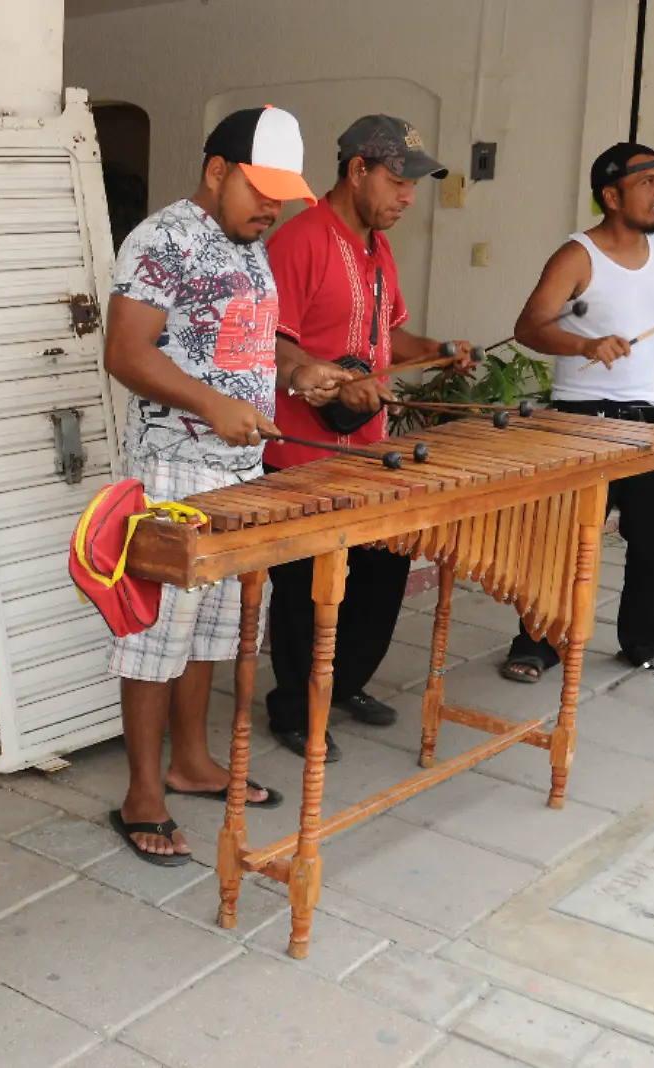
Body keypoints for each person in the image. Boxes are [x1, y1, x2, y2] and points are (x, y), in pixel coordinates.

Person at [101, 106, 339, 865]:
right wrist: (211, 404)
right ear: (216, 170)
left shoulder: (247, 247)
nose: (271, 208)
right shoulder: (161, 241)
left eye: (281, 196)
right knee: (154, 635)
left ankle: (191, 761)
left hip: (237, 471)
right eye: (259, 190)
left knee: (210, 632)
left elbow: (245, 333)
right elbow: (126, 351)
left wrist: (300, 369)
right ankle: (142, 791)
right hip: (172, 468)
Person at [261, 115, 471, 762]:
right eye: (398, 179)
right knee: (306, 590)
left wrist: (434, 349)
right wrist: (323, 381)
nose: (409, 195)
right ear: (357, 171)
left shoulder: (379, 249)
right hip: (302, 452)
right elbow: (270, 343)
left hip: (370, 447)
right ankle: (294, 708)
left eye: (414, 183)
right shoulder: (298, 241)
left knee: (382, 572)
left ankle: (344, 683)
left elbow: (386, 341)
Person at [498, 142, 654, 684]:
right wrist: (585, 346)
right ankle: (539, 642)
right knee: (565, 537)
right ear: (612, 196)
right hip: (581, 415)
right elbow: (529, 327)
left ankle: (645, 642)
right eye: (649, 182)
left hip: (651, 416)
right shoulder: (577, 255)